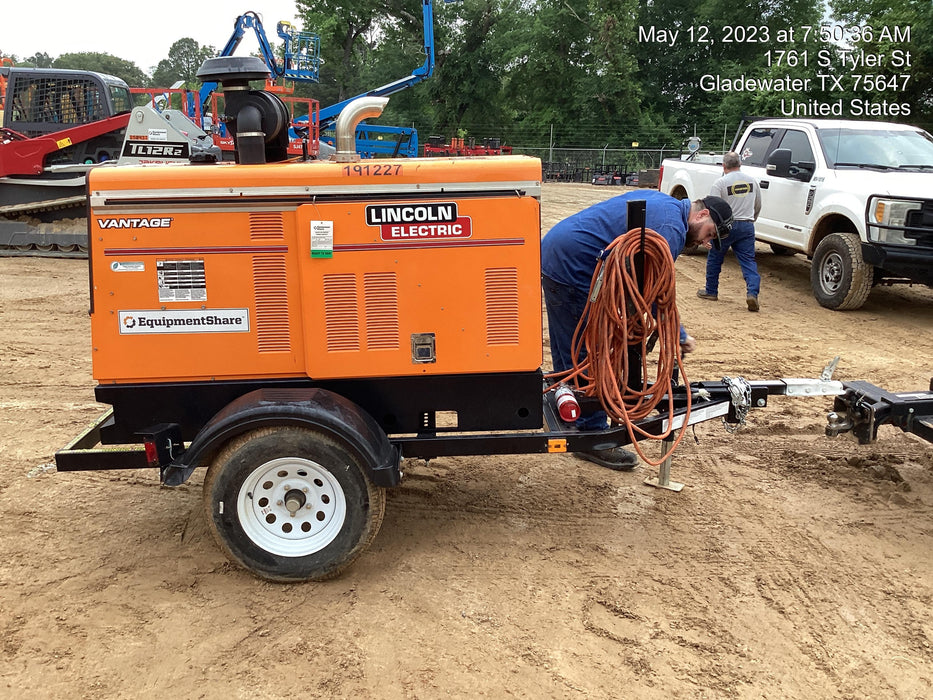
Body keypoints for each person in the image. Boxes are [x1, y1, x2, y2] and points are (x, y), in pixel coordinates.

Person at [541, 189, 733, 470]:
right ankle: (591, 435)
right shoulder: (670, 230)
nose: (706, 243)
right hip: (575, 266)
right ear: (702, 214)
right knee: (589, 352)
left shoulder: (665, 204)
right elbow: (654, 290)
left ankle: (567, 397)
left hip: (559, 254)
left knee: (571, 343)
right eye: (710, 234)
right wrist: (678, 335)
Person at [697, 152, 762, 311]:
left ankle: (711, 291)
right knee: (748, 261)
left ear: (723, 166)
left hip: (725, 227)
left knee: (715, 258)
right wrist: (750, 219)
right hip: (746, 225)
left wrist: (707, 235)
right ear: (740, 164)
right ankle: (752, 293)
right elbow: (758, 204)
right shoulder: (752, 181)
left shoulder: (720, 183)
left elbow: (712, 209)